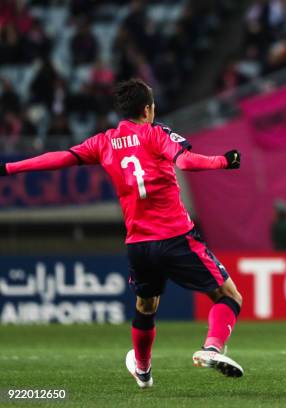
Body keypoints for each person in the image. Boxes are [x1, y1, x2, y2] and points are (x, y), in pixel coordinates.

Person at [0, 78, 245, 388]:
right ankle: (212, 348)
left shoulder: (103, 142)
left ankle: (143, 371)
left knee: (146, 306)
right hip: (175, 237)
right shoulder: (157, 135)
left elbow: (59, 158)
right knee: (229, 296)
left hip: (138, 244)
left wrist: (9, 169)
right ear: (147, 109)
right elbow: (185, 161)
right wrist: (223, 161)